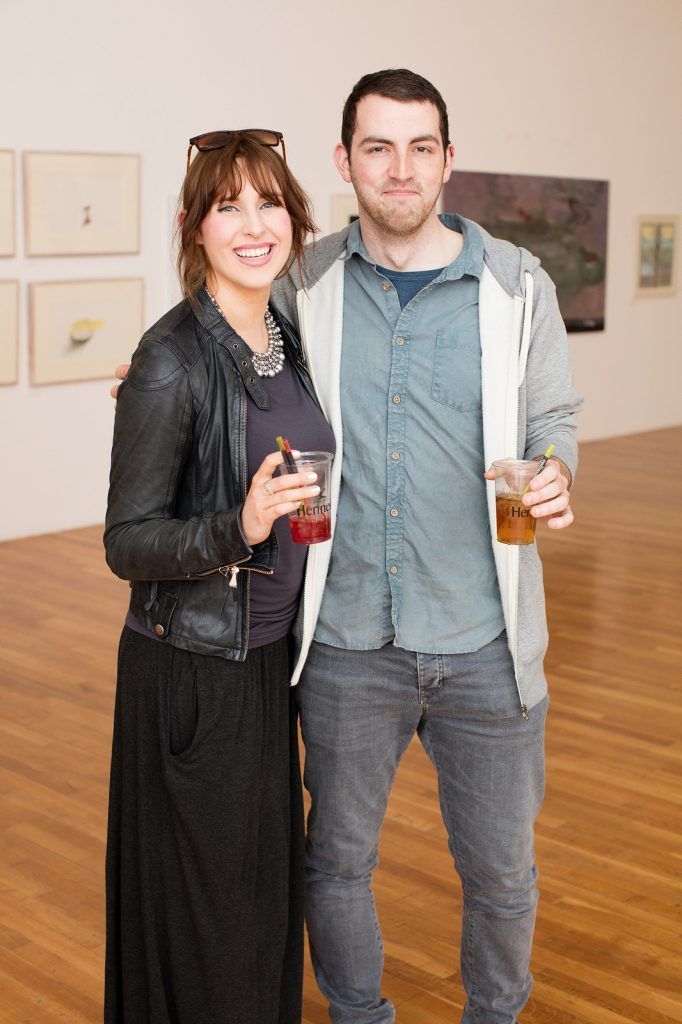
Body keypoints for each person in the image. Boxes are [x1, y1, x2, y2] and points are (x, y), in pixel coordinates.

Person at [112, 69, 583, 1024]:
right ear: (344, 163)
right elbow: (218, 320)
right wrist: (153, 368)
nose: (399, 169)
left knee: (501, 873)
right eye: (377, 147)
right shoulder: (307, 282)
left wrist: (556, 469)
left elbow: (553, 417)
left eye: (420, 148)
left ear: (449, 159)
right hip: (343, 643)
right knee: (334, 865)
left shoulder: (516, 285)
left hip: (485, 643)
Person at [103, 130, 334, 1024]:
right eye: (227, 205)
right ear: (191, 227)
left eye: (269, 202)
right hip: (192, 673)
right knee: (208, 922)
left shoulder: (285, 333)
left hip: (266, 661)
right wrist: (237, 527)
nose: (253, 224)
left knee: (259, 907)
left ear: (295, 219)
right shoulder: (169, 357)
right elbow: (127, 543)